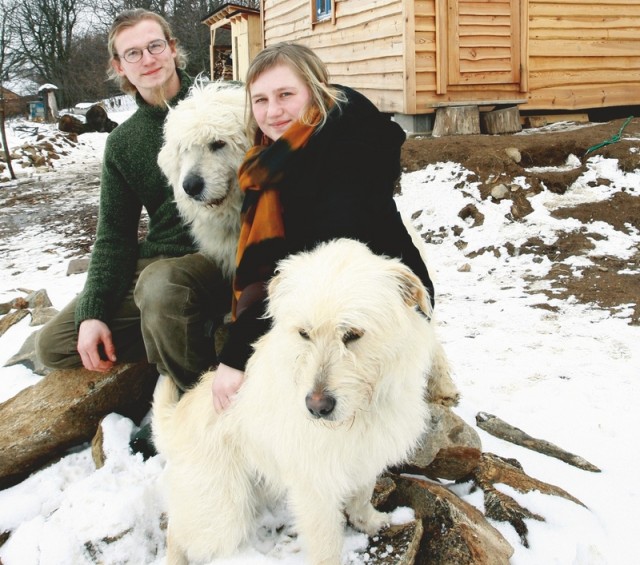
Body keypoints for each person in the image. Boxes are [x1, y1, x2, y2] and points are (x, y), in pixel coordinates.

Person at [210, 42, 435, 411]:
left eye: (286, 94)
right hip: (329, 300)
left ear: (314, 91)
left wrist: (235, 358)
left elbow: (305, 268)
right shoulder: (273, 158)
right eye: (261, 100)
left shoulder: (346, 154)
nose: (273, 111)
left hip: (376, 314)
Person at [36, 10, 230, 399]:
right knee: (55, 345)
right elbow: (114, 237)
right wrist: (92, 312)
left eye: (155, 45)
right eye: (133, 53)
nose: (148, 59)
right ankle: (183, 332)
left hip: (225, 252)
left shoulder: (224, 102)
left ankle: (193, 394)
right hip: (164, 259)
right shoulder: (123, 143)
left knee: (161, 289)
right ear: (119, 66)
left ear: (173, 49)